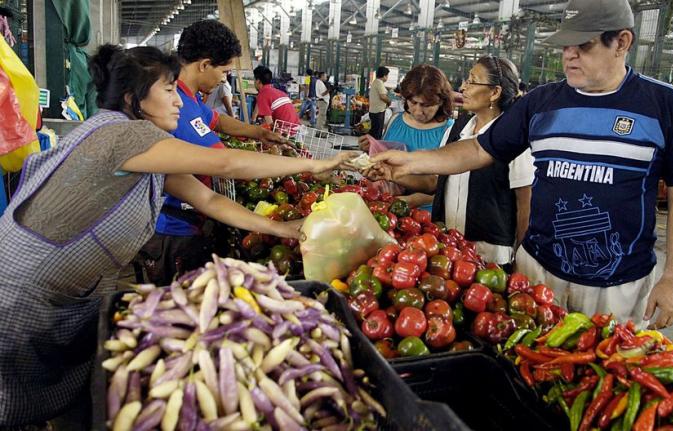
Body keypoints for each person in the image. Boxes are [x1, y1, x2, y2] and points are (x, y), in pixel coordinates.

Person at [0, 44, 354, 428]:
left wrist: (279, 228)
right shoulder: (124, 137)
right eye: (168, 90)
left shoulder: (144, 148)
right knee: (16, 399)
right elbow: (226, 162)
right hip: (27, 290)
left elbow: (208, 198)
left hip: (62, 287)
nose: (179, 103)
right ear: (134, 99)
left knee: (64, 392)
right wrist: (314, 164)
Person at [372, 0, 673, 329]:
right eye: (565, 46)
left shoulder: (665, 106)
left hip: (618, 285)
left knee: (604, 369)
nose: (569, 55)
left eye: (583, 45)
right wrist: (410, 161)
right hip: (540, 273)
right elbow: (478, 150)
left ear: (621, 42)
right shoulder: (540, 103)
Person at [139, 20, 305, 285]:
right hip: (174, 234)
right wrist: (310, 166)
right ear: (204, 64)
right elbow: (227, 163)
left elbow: (215, 119)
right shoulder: (173, 109)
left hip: (193, 219)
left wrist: (258, 132)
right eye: (225, 71)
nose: (224, 78)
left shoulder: (188, 97)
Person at [368, 56, 533, 267]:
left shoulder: (514, 141)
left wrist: (520, 260)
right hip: (448, 251)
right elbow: (434, 182)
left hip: (490, 257)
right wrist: (393, 174)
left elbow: (525, 207)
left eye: (472, 81)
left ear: (494, 92)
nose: (463, 87)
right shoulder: (458, 130)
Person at [360, 64, 455, 211]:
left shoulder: (450, 131)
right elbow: (385, 158)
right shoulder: (395, 121)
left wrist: (417, 200)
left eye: (426, 105)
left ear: (441, 101)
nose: (418, 111)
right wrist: (371, 150)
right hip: (388, 207)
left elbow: (449, 188)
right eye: (413, 102)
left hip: (426, 217)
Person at [369, 66, 391, 139]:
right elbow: (383, 96)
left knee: (374, 131)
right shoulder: (379, 82)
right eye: (387, 75)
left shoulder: (376, 82)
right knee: (377, 133)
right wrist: (389, 102)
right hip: (378, 111)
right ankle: (375, 148)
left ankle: (372, 147)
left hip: (374, 110)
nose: (387, 77)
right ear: (384, 75)